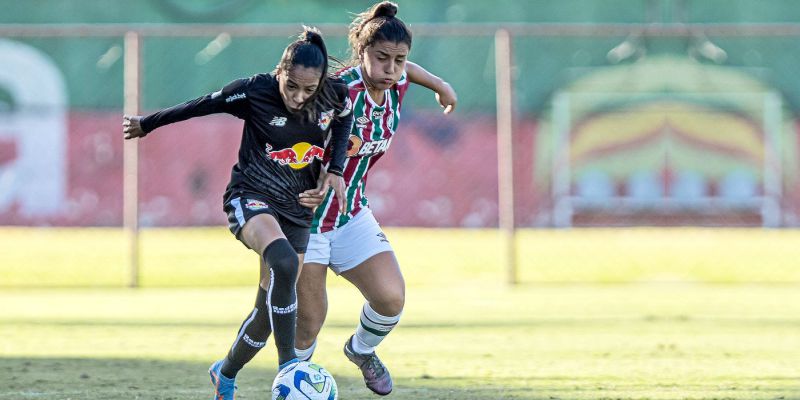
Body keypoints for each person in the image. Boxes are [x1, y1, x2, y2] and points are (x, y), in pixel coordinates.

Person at [122, 27, 353, 400]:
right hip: (251, 196)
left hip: (296, 208)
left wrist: (336, 169)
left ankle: (225, 372)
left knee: (264, 316)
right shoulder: (254, 91)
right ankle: (289, 368)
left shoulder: (333, 94)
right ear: (280, 72)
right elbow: (200, 104)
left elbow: (345, 121)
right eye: (291, 85)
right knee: (284, 262)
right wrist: (148, 123)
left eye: (307, 91)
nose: (298, 97)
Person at [293, 2, 458, 396]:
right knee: (310, 320)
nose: (391, 68)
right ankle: (292, 383)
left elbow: (410, 74)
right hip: (305, 221)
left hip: (350, 216)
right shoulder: (336, 92)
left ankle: (361, 351)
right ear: (361, 53)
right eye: (381, 58)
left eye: (399, 60)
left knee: (391, 299)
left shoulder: (397, 82)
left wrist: (440, 85)